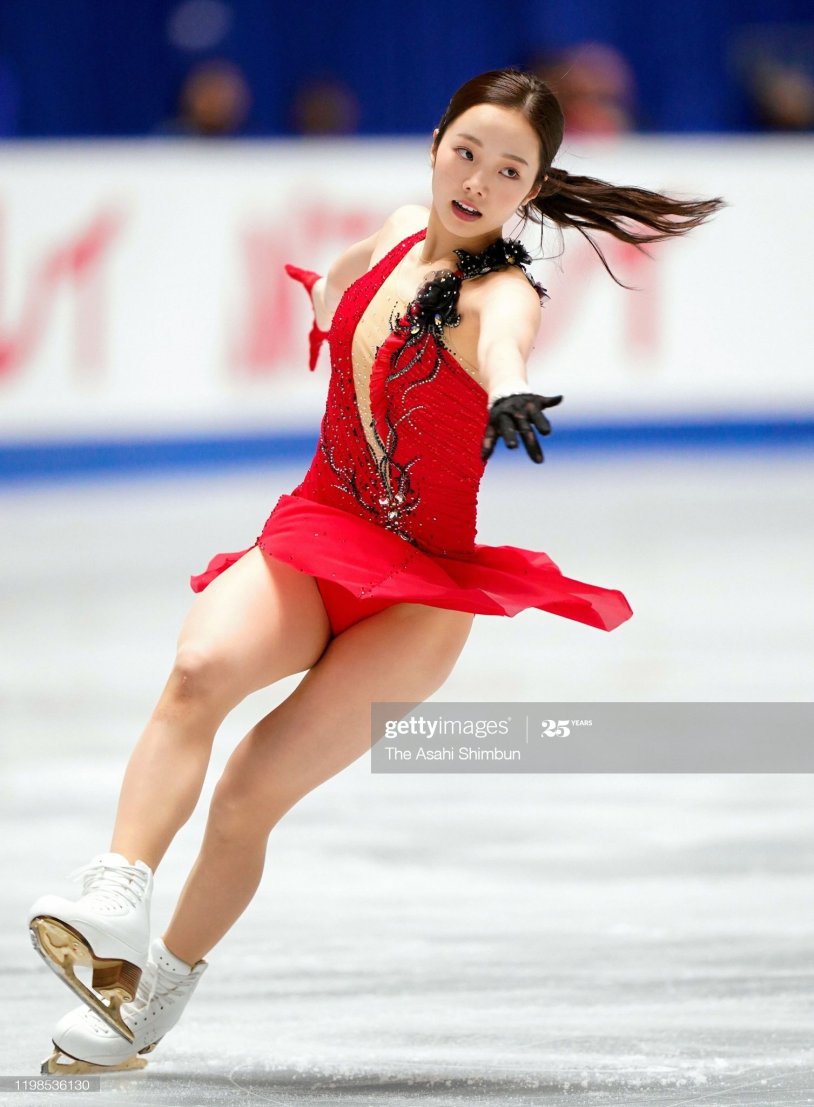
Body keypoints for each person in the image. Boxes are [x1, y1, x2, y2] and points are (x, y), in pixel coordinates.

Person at [27, 67, 722, 1074]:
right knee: (196, 672)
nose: (478, 180)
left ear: (534, 190)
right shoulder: (399, 226)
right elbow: (354, 263)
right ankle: (114, 900)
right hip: (321, 529)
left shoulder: (500, 291)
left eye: (508, 170)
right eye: (466, 153)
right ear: (437, 141)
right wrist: (325, 291)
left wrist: (511, 391)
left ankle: (149, 1000)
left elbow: (505, 343)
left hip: (418, 595)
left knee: (248, 792)